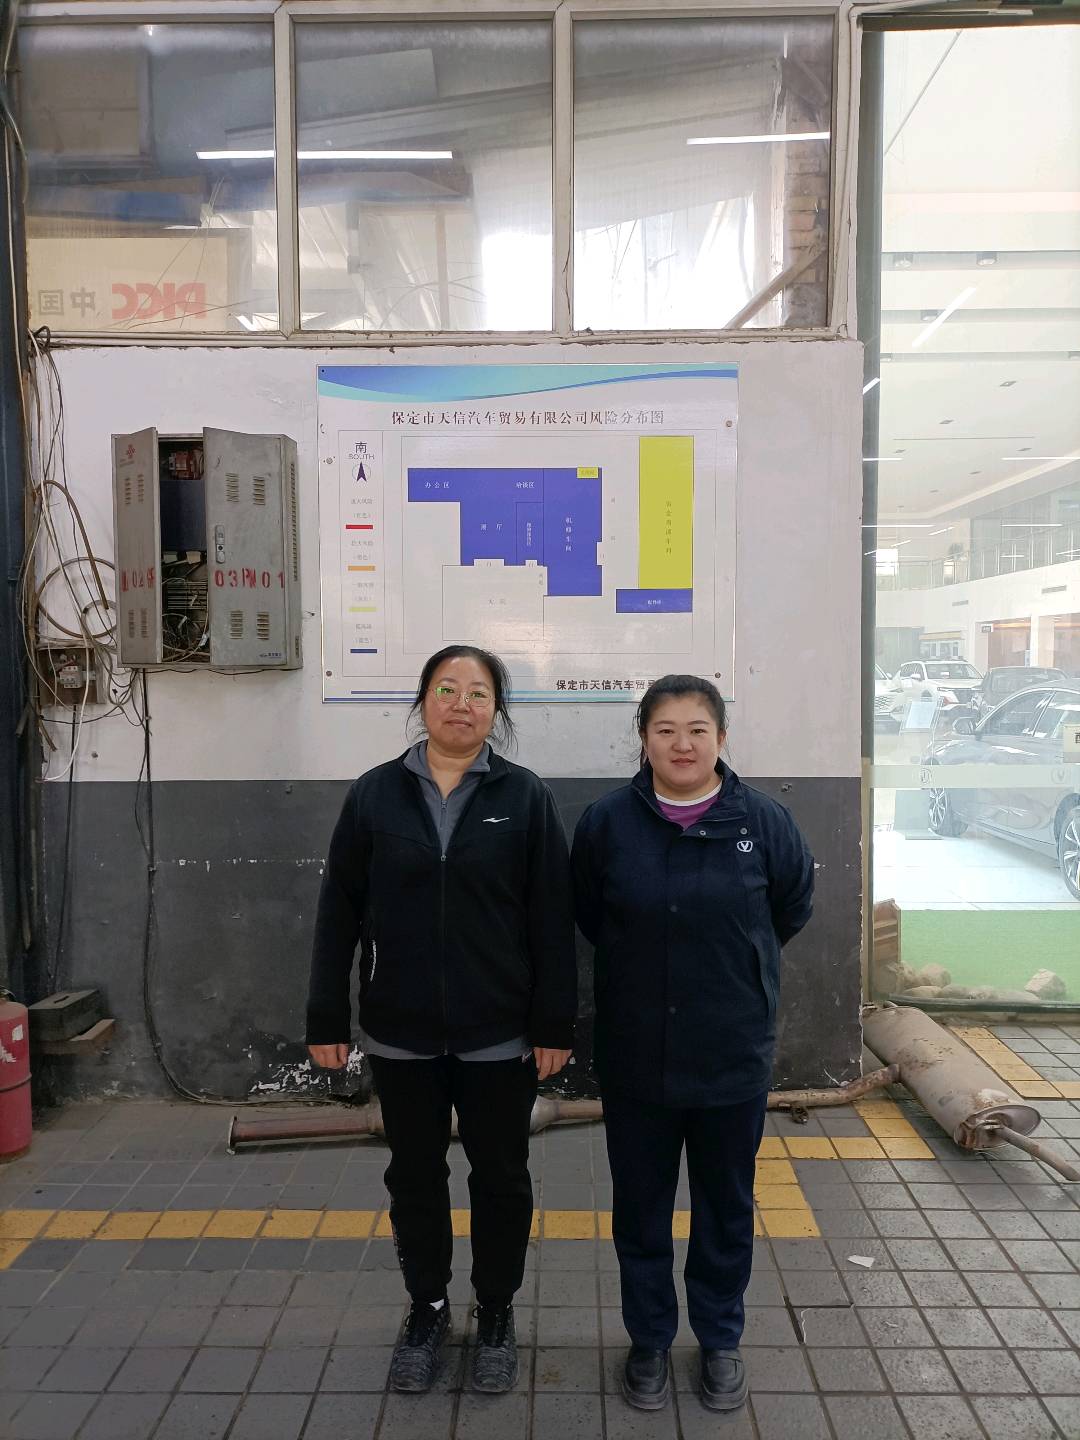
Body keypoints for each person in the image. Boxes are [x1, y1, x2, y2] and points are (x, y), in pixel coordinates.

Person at [306, 644, 576, 1395]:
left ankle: (495, 1312)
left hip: (500, 1032)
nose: (463, 704)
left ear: (497, 711)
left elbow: (552, 919)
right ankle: (426, 1307)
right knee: (414, 1176)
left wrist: (554, 1024)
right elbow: (339, 914)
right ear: (422, 701)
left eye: (479, 693)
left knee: (501, 1177)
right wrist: (327, 1014)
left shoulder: (525, 797)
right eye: (448, 689)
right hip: (402, 1031)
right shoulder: (374, 796)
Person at [571, 674, 813, 1414]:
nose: (682, 744)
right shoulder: (607, 822)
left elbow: (790, 906)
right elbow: (588, 913)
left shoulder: (763, 821)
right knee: (640, 1208)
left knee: (725, 1208)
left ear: (721, 739)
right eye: (666, 730)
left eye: (697, 730)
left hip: (730, 1054)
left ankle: (719, 1338)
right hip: (636, 1054)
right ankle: (648, 1340)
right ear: (643, 739)